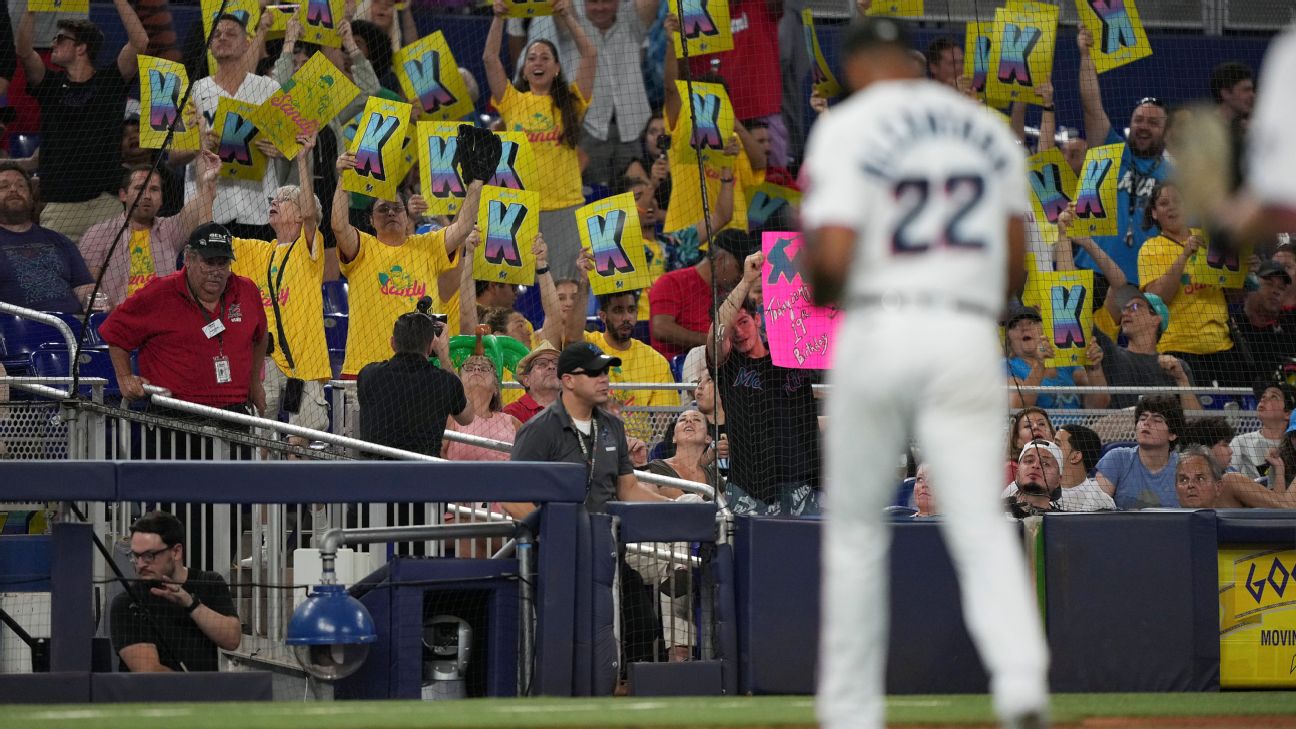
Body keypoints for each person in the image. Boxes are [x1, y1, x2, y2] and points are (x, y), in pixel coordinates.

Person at [799, 18, 1048, 729]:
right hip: (967, 330)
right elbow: (1014, 269)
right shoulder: (986, 130)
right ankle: (1023, 682)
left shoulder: (848, 127)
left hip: (881, 324)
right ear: (914, 63)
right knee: (978, 520)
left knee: (853, 529)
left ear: (856, 68)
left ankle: (850, 711)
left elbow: (832, 269)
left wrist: (809, 252)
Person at [331, 148, 484, 378]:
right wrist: (343, 178)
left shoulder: (428, 245)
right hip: (365, 371)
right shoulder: (363, 247)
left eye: (397, 208)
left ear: (407, 216)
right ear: (370, 220)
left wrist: (476, 182)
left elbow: (462, 228)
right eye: (383, 209)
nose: (391, 212)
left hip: (421, 372)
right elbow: (339, 226)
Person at [99, 223, 269, 414]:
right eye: (209, 262)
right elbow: (114, 332)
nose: (216, 272)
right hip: (174, 418)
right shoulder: (160, 293)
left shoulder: (246, 290)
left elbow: (261, 336)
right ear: (188, 259)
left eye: (222, 263)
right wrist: (124, 377)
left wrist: (254, 383)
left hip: (234, 415)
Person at [483, 0, 597, 281]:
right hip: (518, 208)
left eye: (545, 57)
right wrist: (498, 18)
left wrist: (567, 16)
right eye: (532, 57)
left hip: (565, 209)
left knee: (565, 288)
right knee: (518, 289)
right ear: (524, 69)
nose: (538, 62)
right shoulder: (511, 101)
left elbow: (590, 55)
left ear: (556, 67)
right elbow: (489, 58)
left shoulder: (572, 102)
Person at [16, 5, 149, 242]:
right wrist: (32, 8)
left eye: (60, 38)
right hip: (59, 208)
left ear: (81, 48)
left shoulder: (111, 81)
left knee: (108, 279)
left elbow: (140, 42)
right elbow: (24, 51)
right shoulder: (50, 84)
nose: (53, 43)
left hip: (104, 206)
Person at [229, 134, 331, 438]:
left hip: (305, 363)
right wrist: (208, 184)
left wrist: (302, 159)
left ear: (299, 214)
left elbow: (312, 217)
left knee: (307, 433)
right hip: (268, 361)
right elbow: (214, 234)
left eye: (284, 200)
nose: (274, 202)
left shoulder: (308, 248)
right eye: (273, 199)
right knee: (257, 434)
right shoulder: (261, 251)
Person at [509, 341, 687, 514]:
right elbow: (513, 498)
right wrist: (549, 532)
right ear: (569, 381)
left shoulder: (613, 426)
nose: (604, 380)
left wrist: (677, 506)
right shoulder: (539, 429)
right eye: (594, 373)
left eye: (605, 372)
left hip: (604, 537)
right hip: (560, 537)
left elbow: (629, 489)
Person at [710, 268, 821, 516]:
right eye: (731, 328)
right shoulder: (728, 366)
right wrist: (748, 279)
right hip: (749, 489)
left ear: (758, 319)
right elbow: (716, 337)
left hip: (803, 484)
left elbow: (825, 328)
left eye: (744, 322)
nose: (739, 333)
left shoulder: (793, 351)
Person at [1073, 27, 1172, 285]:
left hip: (1143, 280)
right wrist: (1085, 56)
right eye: (1138, 119)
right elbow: (1092, 106)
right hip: (1091, 270)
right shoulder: (1111, 149)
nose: (1143, 126)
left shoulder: (1175, 176)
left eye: (1153, 122)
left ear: (1165, 132)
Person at [181, 14, 282, 240]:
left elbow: (291, 147)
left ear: (247, 42)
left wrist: (280, 149)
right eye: (217, 34)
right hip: (209, 208)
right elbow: (173, 156)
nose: (222, 37)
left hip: (258, 211)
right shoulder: (193, 92)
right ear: (209, 45)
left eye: (231, 33)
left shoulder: (270, 89)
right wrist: (198, 145)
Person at [80, 151, 221, 310]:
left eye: (154, 189)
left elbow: (198, 207)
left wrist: (209, 182)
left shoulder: (169, 229)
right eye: (140, 188)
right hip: (119, 317)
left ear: (161, 198)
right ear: (123, 195)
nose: (147, 195)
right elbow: (88, 285)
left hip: (164, 316)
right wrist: (108, 311)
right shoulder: (98, 234)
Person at [1138, 181, 1245, 386]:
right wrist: (1185, 254)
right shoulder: (1150, 249)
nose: (1172, 207)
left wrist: (1245, 272)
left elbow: (1231, 293)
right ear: (1154, 213)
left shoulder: (1212, 238)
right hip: (1178, 350)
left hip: (1223, 347)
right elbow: (1156, 299)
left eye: (1178, 201)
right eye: (1164, 203)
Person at [110, 511, 240, 672]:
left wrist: (191, 604)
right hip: (155, 696)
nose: (140, 564)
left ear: (176, 552)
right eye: (136, 556)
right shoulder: (128, 603)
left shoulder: (209, 583)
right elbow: (149, 671)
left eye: (149, 556)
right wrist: (198, 690)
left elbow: (232, 640)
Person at [0, 163, 94, 312]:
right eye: (3, 187)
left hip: (72, 327)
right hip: (18, 330)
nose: (13, 190)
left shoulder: (60, 241)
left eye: (21, 186)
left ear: (32, 198)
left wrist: (97, 303)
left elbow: (84, 287)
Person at [649, 229, 749, 359]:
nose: (741, 275)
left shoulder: (727, 294)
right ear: (720, 259)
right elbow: (661, 329)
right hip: (676, 370)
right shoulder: (671, 282)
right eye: (740, 268)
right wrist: (711, 342)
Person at [1004, 306, 1108, 410]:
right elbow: (1017, 406)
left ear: (1044, 330)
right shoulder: (1007, 366)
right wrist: (1040, 364)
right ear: (1008, 339)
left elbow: (1098, 405)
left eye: (1031, 322)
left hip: (1078, 426)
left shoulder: (1065, 360)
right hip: (1039, 426)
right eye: (1016, 325)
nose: (1024, 328)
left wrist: (1094, 368)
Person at [1095, 395, 1184, 509]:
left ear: (1172, 434)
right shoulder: (1116, 458)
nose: (1146, 423)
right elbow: (1097, 507)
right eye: (1142, 419)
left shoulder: (1184, 466)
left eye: (1157, 420)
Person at [1232, 261, 1296, 383]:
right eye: (1269, 284)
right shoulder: (1230, 324)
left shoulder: (1288, 331)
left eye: (1281, 288)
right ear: (1251, 284)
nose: (1276, 291)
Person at [1229, 382, 1295, 479]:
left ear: (1288, 414)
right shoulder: (1239, 442)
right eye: (1264, 395)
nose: (1263, 399)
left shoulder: (1293, 445)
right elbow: (1226, 481)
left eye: (1274, 397)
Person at [503, 341, 561, 424]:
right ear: (527, 380)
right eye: (542, 364)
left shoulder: (574, 409)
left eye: (556, 364)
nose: (552, 367)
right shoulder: (513, 412)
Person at [1006, 407, 1053, 485]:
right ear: (1017, 441)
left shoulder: (1060, 466)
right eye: (1028, 426)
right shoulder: (1011, 469)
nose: (1035, 427)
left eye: (1041, 424)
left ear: (1052, 435)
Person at [1210, 61, 1255, 128]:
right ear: (1226, 94)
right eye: (1246, 90)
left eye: (1252, 90)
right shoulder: (1204, 130)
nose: (1253, 95)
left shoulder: (1254, 128)